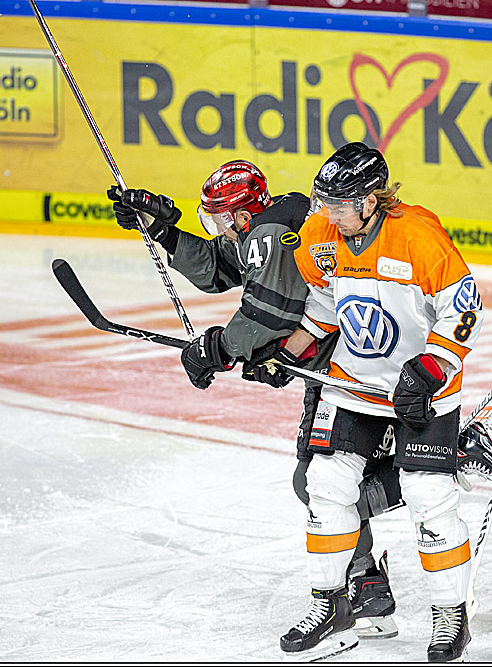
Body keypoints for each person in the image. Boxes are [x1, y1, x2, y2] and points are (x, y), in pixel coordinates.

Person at [105, 161, 402, 638]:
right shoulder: (270, 223)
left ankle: (439, 475)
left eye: (222, 218)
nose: (220, 227)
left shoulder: (269, 230)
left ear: (244, 215)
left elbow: (269, 308)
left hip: (354, 371)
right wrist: (166, 232)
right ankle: (366, 580)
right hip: (340, 362)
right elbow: (221, 271)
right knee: (328, 483)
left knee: (318, 483)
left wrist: (220, 347)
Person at [280, 142, 484, 662]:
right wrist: (287, 352)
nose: (331, 215)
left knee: (429, 500)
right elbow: (324, 305)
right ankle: (330, 604)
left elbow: (464, 310)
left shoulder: (416, 235)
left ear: (374, 199)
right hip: (352, 383)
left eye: (342, 206)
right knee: (325, 486)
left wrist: (429, 370)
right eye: (326, 204)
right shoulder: (322, 233)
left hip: (421, 391)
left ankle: (450, 616)